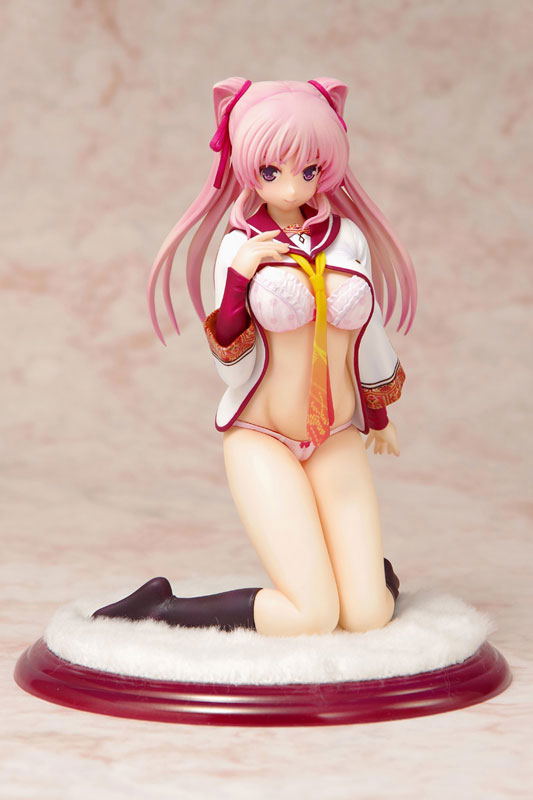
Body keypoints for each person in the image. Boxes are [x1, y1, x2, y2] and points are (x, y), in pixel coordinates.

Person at [92, 77, 416, 637]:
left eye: (309, 170)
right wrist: (240, 279)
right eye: (271, 171)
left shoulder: (349, 240)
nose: (291, 186)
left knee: (367, 617)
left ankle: (366, 579)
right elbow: (231, 364)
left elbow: (369, 333)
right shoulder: (239, 246)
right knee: (311, 616)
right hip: (263, 436)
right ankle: (161, 609)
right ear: (248, 167)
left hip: (336, 434)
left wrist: (379, 415)